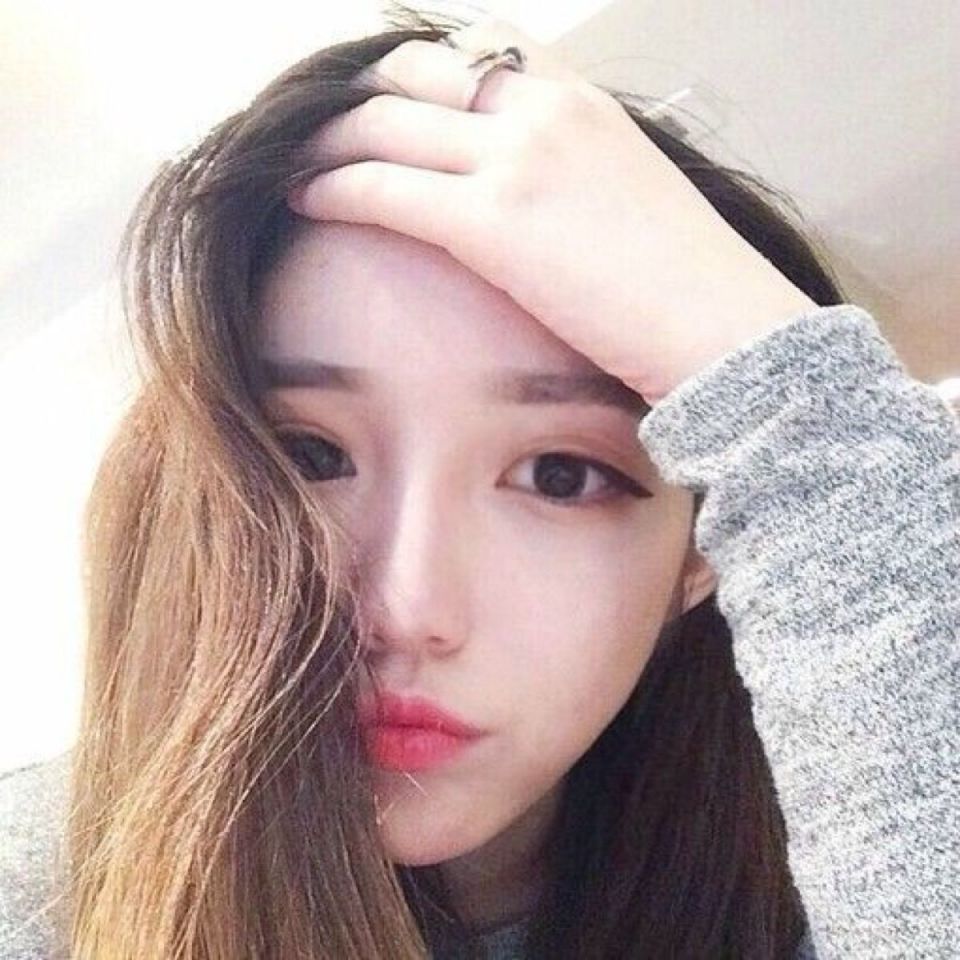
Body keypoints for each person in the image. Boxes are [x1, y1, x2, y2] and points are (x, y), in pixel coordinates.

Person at [1, 7, 957, 959]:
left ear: (703, 550)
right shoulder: (32, 906)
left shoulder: (849, 867)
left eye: (560, 475)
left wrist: (808, 419)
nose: (408, 610)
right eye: (311, 455)